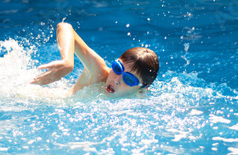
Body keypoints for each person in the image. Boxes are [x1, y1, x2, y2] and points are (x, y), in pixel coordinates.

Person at [31, 22, 160, 98]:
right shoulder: (98, 72)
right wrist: (67, 62)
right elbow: (64, 26)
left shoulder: (137, 100)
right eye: (117, 68)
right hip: (38, 99)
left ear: (141, 91)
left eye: (129, 79)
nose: (116, 80)